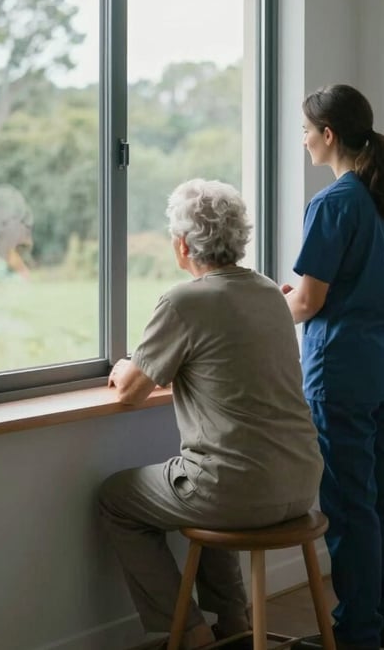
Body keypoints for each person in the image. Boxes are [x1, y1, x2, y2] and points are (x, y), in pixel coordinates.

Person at [100, 179, 323, 650]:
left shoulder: (185, 301)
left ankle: (191, 633)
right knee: (214, 477)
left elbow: (130, 394)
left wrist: (123, 368)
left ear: (182, 244)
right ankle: (233, 623)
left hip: (235, 491)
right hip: (301, 482)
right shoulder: (268, 292)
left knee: (116, 498)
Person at [282, 85, 384, 650]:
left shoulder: (334, 202)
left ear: (328, 134)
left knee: (349, 501)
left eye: (307, 131)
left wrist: (272, 303)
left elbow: (308, 302)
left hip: (340, 371)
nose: (304, 141)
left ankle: (355, 632)